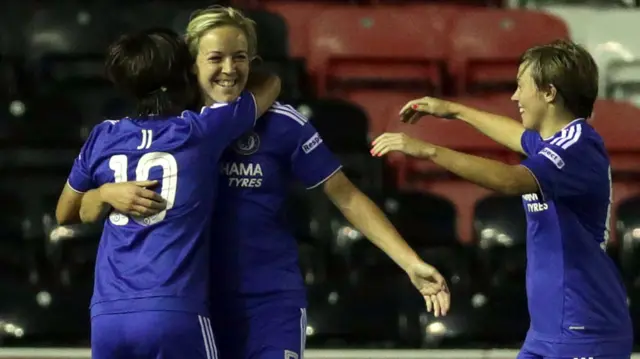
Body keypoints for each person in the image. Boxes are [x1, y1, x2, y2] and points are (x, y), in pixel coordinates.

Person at [81, 6, 450, 359]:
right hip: (196, 308)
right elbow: (85, 204)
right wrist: (102, 194)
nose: (230, 69)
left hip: (270, 305)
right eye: (216, 58)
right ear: (190, 64)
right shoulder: (171, 129)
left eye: (240, 57)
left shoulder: (282, 122)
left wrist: (410, 262)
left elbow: (347, 197)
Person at [371, 39, 633, 359]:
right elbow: (516, 136)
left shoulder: (577, 148)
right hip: (546, 331)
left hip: (585, 329)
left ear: (549, 92)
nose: (514, 97)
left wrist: (428, 150)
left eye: (521, 87)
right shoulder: (556, 144)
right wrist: (453, 110)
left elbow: (509, 180)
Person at [54, 28, 281, 358]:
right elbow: (270, 82)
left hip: (108, 317)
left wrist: (104, 193)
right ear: (183, 73)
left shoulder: (103, 136)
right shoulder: (200, 130)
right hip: (175, 311)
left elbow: (64, 213)